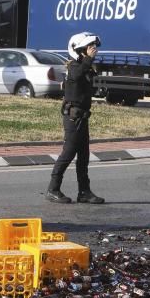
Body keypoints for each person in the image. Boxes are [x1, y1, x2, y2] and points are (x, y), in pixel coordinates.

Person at [46, 32, 105, 204]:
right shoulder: (74, 67)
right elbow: (77, 75)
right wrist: (88, 60)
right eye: (88, 47)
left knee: (84, 155)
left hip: (83, 118)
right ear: (78, 50)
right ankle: (53, 188)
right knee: (68, 153)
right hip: (73, 118)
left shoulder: (85, 67)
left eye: (93, 47)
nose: (93, 50)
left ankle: (84, 192)